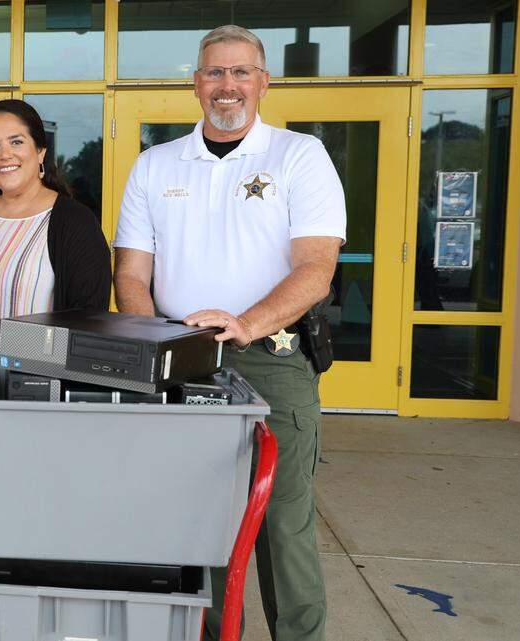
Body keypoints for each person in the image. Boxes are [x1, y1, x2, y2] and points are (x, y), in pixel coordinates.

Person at [113, 25, 345, 641]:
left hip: (270, 357)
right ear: (196, 84)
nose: (228, 85)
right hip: (179, 362)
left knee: (281, 523)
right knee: (196, 522)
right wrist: (154, 341)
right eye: (216, 73)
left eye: (241, 72)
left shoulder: (300, 156)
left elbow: (317, 268)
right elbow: (131, 271)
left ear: (263, 82)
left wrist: (246, 324)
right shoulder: (155, 164)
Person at [0, 99, 111, 376]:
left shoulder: (74, 222)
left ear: (40, 151)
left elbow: (89, 328)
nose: (5, 155)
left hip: (36, 408)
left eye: (16, 142)